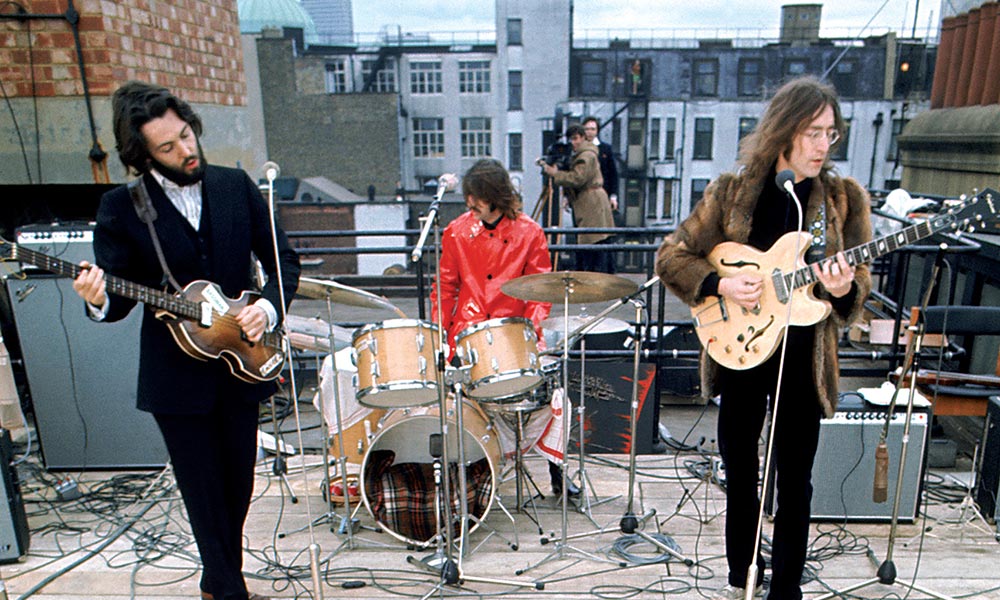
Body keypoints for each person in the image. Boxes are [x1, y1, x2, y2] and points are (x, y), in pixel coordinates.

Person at [72, 81, 300, 600]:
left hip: (242, 361)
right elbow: (118, 298)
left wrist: (266, 308)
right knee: (202, 491)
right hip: (175, 378)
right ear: (143, 156)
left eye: (186, 136)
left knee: (237, 486)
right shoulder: (122, 207)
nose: (186, 150)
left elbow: (284, 261)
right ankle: (229, 591)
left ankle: (216, 583)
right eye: (168, 147)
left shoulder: (234, 185)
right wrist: (96, 298)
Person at [654, 77, 871, 600]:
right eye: (813, 132)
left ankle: (787, 587)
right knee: (740, 471)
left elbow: (858, 283)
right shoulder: (732, 192)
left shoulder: (842, 200)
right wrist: (721, 283)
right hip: (742, 350)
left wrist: (844, 289)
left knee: (796, 479)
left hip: (804, 356)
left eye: (831, 134)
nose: (822, 145)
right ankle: (741, 576)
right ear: (784, 131)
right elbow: (672, 256)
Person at [431, 158, 577, 497]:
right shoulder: (455, 231)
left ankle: (557, 467)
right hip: (469, 332)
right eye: (468, 197)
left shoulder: (530, 232)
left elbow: (540, 290)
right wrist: (442, 335)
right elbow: (444, 288)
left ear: (495, 195)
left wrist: (531, 332)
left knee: (554, 398)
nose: (470, 203)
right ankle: (476, 471)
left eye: (476, 197)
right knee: (463, 404)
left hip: (516, 332)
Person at [541, 124, 616, 273]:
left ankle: (594, 275)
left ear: (583, 138)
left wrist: (555, 174)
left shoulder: (586, 156)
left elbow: (577, 178)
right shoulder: (582, 154)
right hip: (589, 202)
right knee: (592, 242)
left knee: (593, 242)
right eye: (571, 139)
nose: (573, 143)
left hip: (592, 203)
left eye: (576, 139)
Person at [582, 116, 618, 211]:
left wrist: (613, 196)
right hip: (581, 195)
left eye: (592, 129)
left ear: (597, 131)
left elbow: (613, 173)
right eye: (587, 129)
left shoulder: (605, 149)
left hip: (602, 194)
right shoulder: (577, 149)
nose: (589, 132)